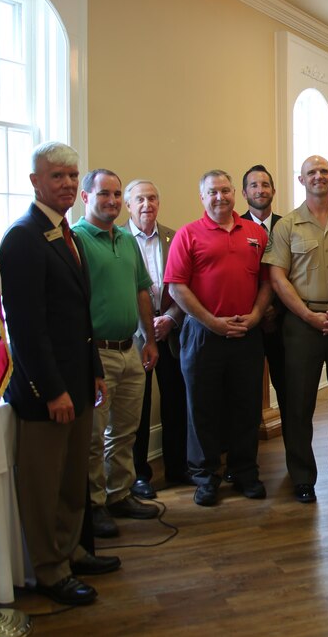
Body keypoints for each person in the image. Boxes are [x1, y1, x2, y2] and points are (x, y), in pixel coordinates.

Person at [0, 142, 117, 607]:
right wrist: (52, 391)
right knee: (44, 485)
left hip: (77, 383)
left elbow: (77, 319)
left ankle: (71, 551)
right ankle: (49, 570)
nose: (67, 183)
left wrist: (92, 372)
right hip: (46, 391)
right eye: (57, 177)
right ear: (35, 182)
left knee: (72, 479)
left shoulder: (64, 234)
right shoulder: (23, 238)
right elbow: (26, 328)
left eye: (72, 175)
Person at [263, 155, 328, 503]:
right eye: (312, 172)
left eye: (324, 171)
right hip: (301, 325)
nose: (318, 177)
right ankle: (303, 476)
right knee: (298, 403)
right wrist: (307, 316)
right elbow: (277, 277)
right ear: (301, 179)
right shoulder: (287, 226)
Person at [165, 170, 271, 506]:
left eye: (225, 191)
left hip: (246, 332)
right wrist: (212, 322)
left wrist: (255, 316)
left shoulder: (255, 234)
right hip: (202, 334)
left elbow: (269, 282)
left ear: (234, 195)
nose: (220, 197)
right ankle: (205, 476)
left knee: (246, 405)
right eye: (212, 192)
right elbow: (177, 286)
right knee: (202, 407)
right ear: (202, 197)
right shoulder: (188, 235)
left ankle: (244, 472)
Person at [73, 169, 160, 538]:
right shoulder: (75, 240)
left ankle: (119, 493)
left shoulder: (126, 240)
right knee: (94, 436)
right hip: (97, 356)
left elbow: (142, 291)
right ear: (85, 197)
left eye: (114, 194)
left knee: (125, 431)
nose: (109, 200)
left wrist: (150, 339)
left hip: (130, 349)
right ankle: (93, 506)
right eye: (103, 194)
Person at [124, 179, 188, 499]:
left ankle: (178, 467)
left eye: (152, 198)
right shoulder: (118, 240)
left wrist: (170, 319)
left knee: (176, 402)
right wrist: (146, 325)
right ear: (129, 206)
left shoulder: (173, 237)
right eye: (139, 199)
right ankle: (140, 475)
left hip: (169, 334)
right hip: (136, 339)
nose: (147, 204)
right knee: (139, 408)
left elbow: (183, 286)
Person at [241, 164, 286, 411]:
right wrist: (258, 310)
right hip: (248, 324)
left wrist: (275, 309)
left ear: (273, 190)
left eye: (265, 185)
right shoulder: (235, 227)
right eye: (254, 185)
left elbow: (295, 273)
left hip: (282, 323)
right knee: (246, 394)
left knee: (288, 391)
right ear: (244, 193)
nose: (260, 190)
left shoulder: (287, 226)